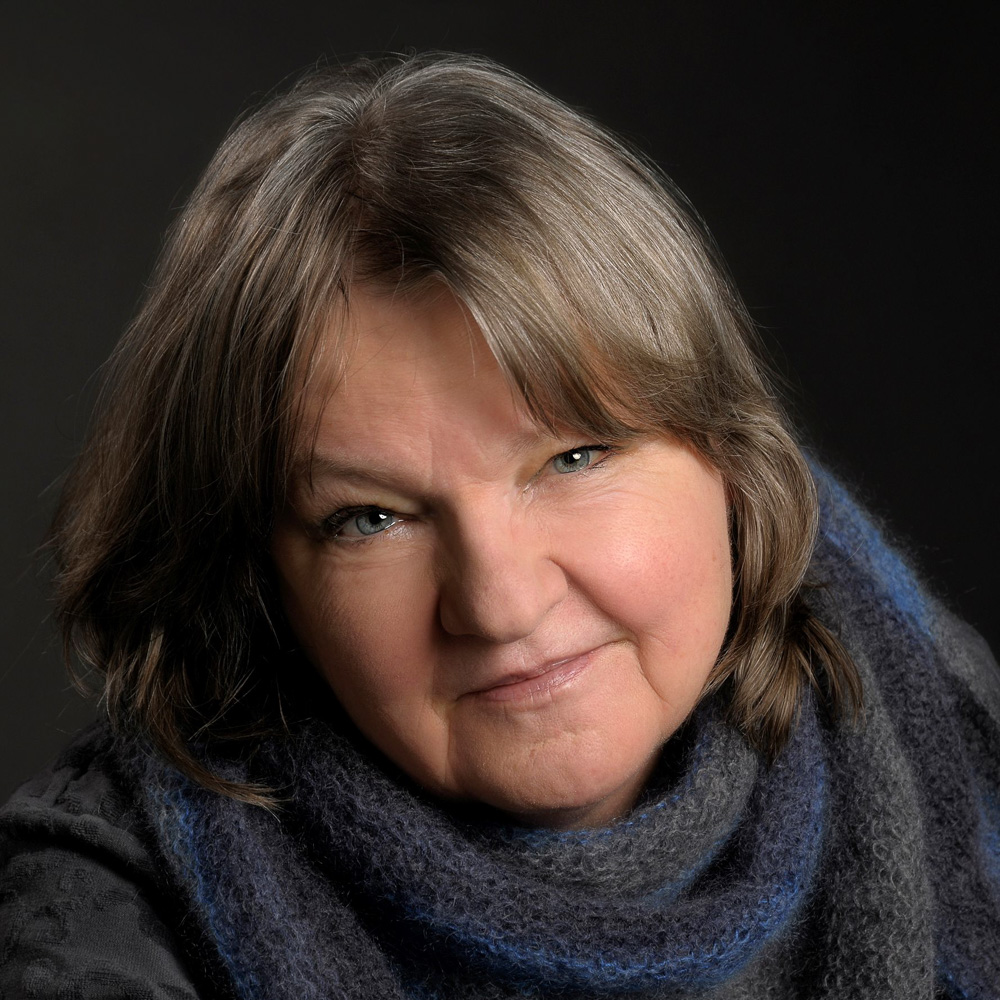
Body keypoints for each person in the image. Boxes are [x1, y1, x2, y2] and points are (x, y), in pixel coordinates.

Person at [1, 52, 997, 999]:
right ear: (259, 583)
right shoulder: (98, 912)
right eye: (371, 519)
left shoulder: (938, 725)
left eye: (573, 458)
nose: (501, 603)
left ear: (728, 457)